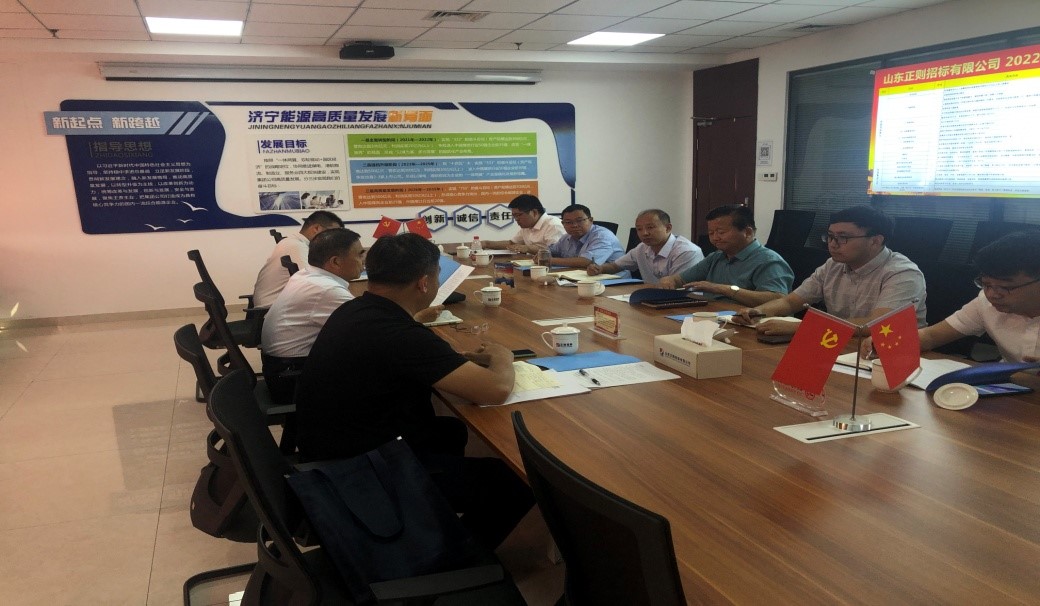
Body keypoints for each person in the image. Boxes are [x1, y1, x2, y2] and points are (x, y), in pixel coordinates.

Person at [294, 233, 533, 549]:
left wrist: (446, 360)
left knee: (450, 431)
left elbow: (401, 356)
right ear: (424, 283)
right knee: (517, 481)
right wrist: (503, 356)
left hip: (332, 447)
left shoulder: (357, 310)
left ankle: (425, 520)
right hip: (359, 469)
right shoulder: (400, 335)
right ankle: (457, 559)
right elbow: (496, 390)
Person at [736, 205, 926, 335]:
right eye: (830, 236)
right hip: (840, 344)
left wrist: (802, 328)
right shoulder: (833, 265)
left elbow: (877, 324)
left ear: (875, 240)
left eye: (843, 238)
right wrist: (758, 312)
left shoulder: (902, 273)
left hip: (894, 353)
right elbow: (791, 302)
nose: (833, 244)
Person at [883, 231, 1040, 363]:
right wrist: (887, 342)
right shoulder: (985, 303)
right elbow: (931, 336)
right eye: (985, 284)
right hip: (1010, 387)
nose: (992, 294)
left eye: (1005, 287)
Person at [658, 204, 794, 306]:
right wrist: (670, 280)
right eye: (711, 233)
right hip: (714, 317)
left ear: (747, 232)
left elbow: (778, 299)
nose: (715, 238)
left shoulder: (769, 261)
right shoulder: (716, 257)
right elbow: (680, 279)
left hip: (750, 324)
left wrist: (723, 289)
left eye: (721, 232)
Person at [586, 209, 702, 285]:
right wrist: (600, 269)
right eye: (639, 229)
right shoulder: (642, 248)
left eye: (650, 227)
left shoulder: (686, 252)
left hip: (686, 303)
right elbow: (615, 266)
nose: (644, 233)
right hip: (653, 298)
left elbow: (676, 286)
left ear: (668, 228)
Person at [252, 210, 343, 308]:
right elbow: (314, 282)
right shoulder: (296, 246)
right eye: (333, 233)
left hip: (273, 304)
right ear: (316, 228)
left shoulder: (293, 242)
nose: (334, 239)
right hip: (270, 307)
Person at [546, 203, 625, 270]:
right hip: (581, 277)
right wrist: (543, 253)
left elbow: (587, 262)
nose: (574, 225)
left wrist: (549, 260)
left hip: (615, 280)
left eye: (579, 220)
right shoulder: (566, 237)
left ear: (591, 220)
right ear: (563, 224)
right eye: (568, 222)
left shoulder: (602, 236)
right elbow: (551, 250)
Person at [483, 194, 566, 253]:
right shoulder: (527, 226)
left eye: (519, 215)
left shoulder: (553, 225)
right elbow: (512, 243)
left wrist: (528, 248)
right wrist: (486, 243)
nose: (516, 219)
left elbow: (555, 251)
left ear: (534, 212)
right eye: (514, 216)